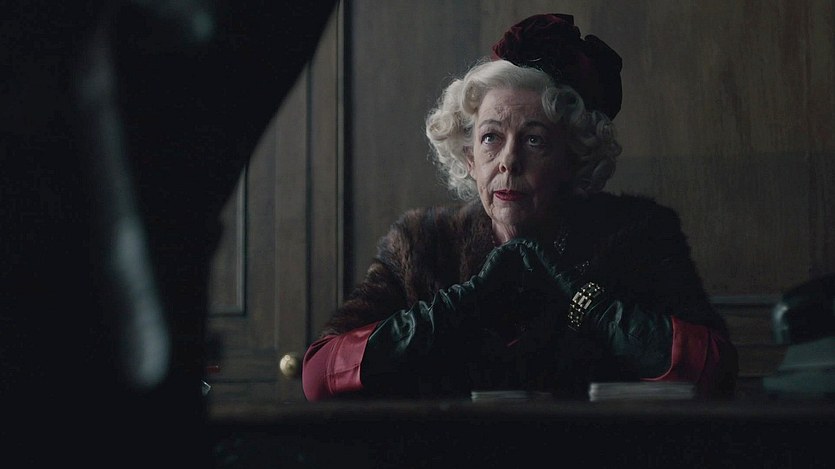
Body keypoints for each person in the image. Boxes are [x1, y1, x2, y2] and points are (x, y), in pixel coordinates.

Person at [302, 13, 738, 401]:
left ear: (575, 158)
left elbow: (714, 370)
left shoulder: (637, 236)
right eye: (491, 137)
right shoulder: (420, 245)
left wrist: (581, 297)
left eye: (534, 139)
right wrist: (467, 299)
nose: (508, 161)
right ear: (470, 159)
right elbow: (320, 375)